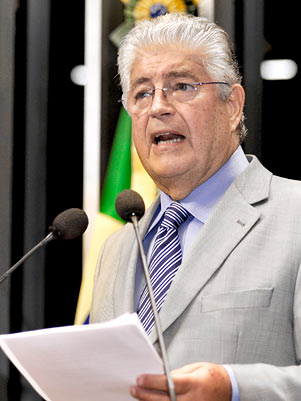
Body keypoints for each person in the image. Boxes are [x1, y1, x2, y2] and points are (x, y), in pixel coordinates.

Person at [90, 13, 301, 401]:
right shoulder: (117, 249)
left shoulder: (296, 216)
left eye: (182, 86)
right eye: (142, 93)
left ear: (233, 104)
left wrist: (233, 388)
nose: (158, 107)